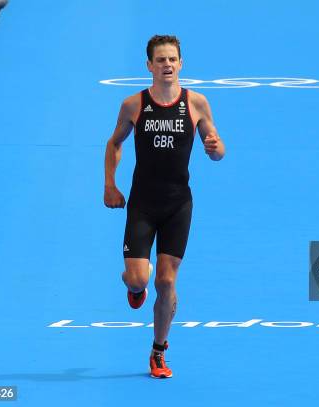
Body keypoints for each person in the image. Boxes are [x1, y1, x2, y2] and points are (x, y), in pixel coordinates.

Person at [103, 35, 225, 379]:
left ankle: (158, 351)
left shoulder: (197, 103)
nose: (167, 64)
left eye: (172, 59)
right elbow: (114, 143)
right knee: (141, 279)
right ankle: (134, 287)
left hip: (177, 205)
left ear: (181, 64)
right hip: (142, 204)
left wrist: (215, 147)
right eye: (160, 60)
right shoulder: (134, 105)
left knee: (167, 282)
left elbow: (217, 150)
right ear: (149, 66)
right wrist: (110, 185)